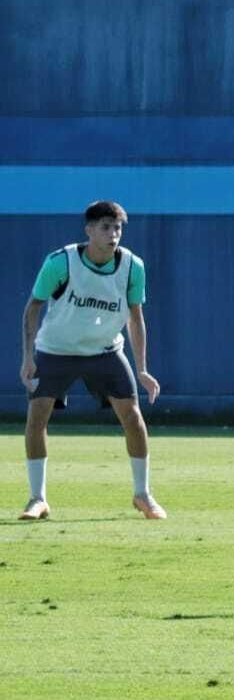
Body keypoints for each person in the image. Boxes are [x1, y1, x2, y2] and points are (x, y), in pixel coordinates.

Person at [18, 200, 165, 521]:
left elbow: (135, 318)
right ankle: (37, 499)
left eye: (118, 228)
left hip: (105, 352)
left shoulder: (132, 266)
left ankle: (143, 495)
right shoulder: (61, 262)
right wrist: (28, 358)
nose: (113, 234)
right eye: (105, 227)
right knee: (37, 417)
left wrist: (141, 368)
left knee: (133, 417)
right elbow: (33, 307)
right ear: (89, 230)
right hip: (56, 350)